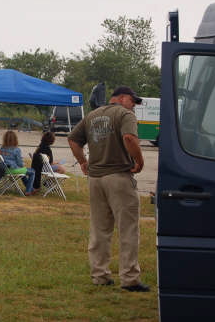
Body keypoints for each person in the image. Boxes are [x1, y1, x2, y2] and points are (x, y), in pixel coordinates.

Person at [67, 86, 148, 292]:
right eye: (133, 101)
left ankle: (99, 275)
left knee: (99, 228)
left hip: (96, 179)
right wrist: (139, 161)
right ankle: (130, 278)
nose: (134, 106)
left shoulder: (92, 115)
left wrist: (83, 162)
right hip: (119, 176)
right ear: (122, 98)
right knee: (127, 228)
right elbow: (129, 138)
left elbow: (73, 140)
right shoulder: (124, 114)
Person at [0, 131, 36, 195]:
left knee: (23, 174)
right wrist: (22, 165)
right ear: (15, 139)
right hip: (13, 170)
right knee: (32, 171)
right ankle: (28, 191)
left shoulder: (2, 148)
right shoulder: (16, 149)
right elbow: (19, 163)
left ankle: (31, 189)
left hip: (4, 169)